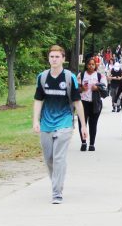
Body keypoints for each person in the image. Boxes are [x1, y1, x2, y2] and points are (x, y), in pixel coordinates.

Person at [33, 45, 87, 204]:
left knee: (58, 158)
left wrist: (83, 126)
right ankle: (56, 182)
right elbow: (38, 100)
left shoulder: (69, 78)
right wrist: (35, 120)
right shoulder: (42, 77)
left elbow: (77, 102)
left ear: (63, 59)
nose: (54, 59)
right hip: (46, 123)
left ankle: (57, 193)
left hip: (64, 122)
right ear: (48, 59)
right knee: (49, 159)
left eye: (57, 57)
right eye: (52, 57)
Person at [78, 55, 107, 152]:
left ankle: (92, 144)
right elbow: (75, 89)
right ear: (86, 65)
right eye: (89, 64)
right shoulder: (81, 75)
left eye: (93, 64)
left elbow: (105, 88)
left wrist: (97, 88)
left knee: (93, 124)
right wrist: (82, 88)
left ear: (95, 66)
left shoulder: (99, 76)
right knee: (82, 124)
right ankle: (83, 142)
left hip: (95, 103)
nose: (91, 66)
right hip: (83, 103)